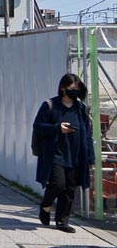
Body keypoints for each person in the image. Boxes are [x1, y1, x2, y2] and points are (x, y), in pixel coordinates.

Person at [32, 73, 94, 233]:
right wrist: (57, 128)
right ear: (62, 88)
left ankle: (62, 220)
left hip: (76, 155)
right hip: (55, 154)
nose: (75, 91)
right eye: (72, 88)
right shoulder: (50, 105)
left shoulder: (81, 108)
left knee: (70, 188)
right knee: (58, 184)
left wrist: (90, 158)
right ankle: (45, 205)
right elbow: (38, 125)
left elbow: (87, 134)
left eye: (77, 88)